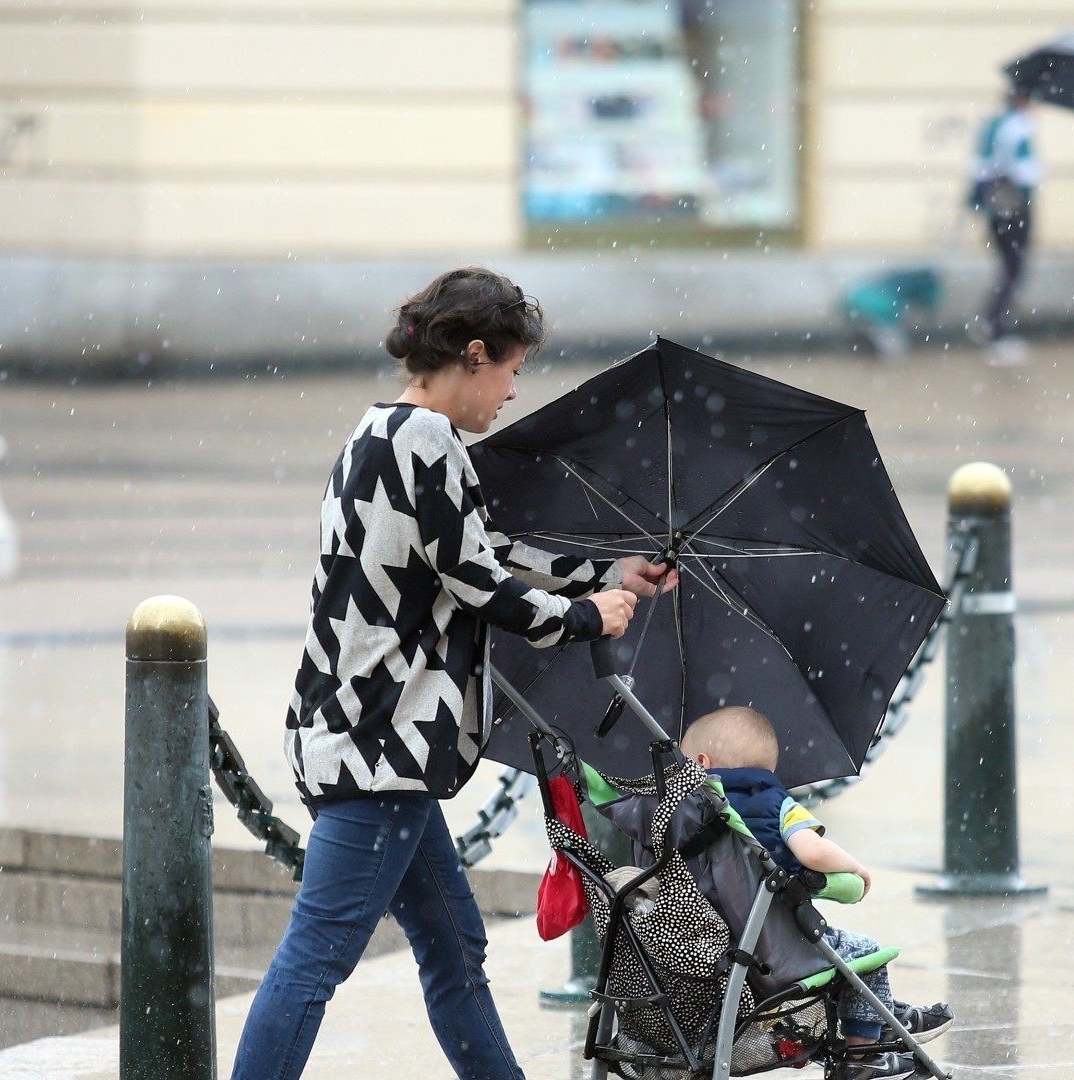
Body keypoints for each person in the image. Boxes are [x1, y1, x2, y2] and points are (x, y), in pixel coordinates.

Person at [233, 267, 677, 1080]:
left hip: (353, 731)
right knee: (317, 959)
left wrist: (603, 573)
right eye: (511, 371)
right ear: (475, 355)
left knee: (454, 948)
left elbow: (478, 551)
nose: (511, 393)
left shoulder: (378, 433)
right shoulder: (429, 441)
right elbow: (484, 587)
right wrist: (592, 617)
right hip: (383, 749)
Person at [681, 706, 955, 1080]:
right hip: (775, 951)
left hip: (705, 949)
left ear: (701, 762)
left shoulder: (677, 816)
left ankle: (885, 1015)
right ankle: (864, 1054)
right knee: (866, 954)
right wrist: (854, 868)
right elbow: (811, 852)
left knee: (846, 961)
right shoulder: (774, 804)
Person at [968, 88, 1042, 364]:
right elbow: (1014, 167)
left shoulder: (996, 126)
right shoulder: (1015, 127)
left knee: (1010, 267)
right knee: (1014, 268)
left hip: (1001, 207)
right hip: (1012, 207)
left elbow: (979, 167)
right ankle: (994, 327)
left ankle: (993, 324)